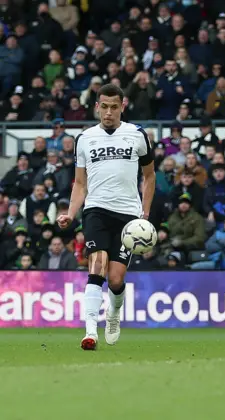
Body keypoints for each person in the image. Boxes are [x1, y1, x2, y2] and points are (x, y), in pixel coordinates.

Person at [56, 84, 155, 351]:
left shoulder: (137, 135)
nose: (108, 112)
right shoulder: (85, 138)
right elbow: (79, 183)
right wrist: (71, 213)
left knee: (115, 279)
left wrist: (144, 216)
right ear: (97, 106)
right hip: (96, 210)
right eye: (104, 106)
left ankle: (113, 315)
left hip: (128, 216)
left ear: (122, 106)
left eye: (114, 107)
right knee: (96, 265)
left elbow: (149, 176)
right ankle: (90, 332)